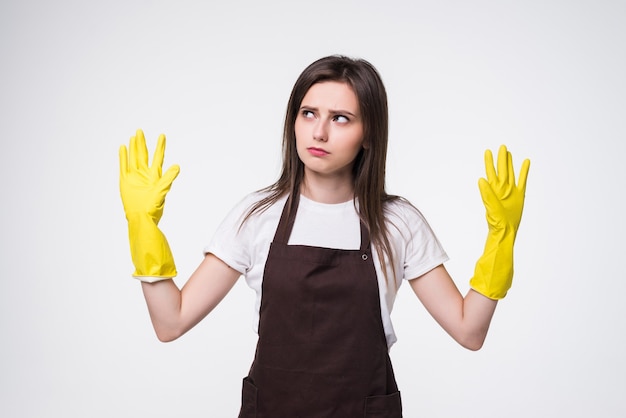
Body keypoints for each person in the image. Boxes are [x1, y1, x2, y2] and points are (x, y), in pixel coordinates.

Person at [119, 55, 530, 417]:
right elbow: (170, 322)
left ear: (368, 134)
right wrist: (143, 227)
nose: (319, 133)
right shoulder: (257, 216)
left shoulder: (397, 223)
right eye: (308, 113)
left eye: (340, 118)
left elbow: (468, 331)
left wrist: (502, 237)